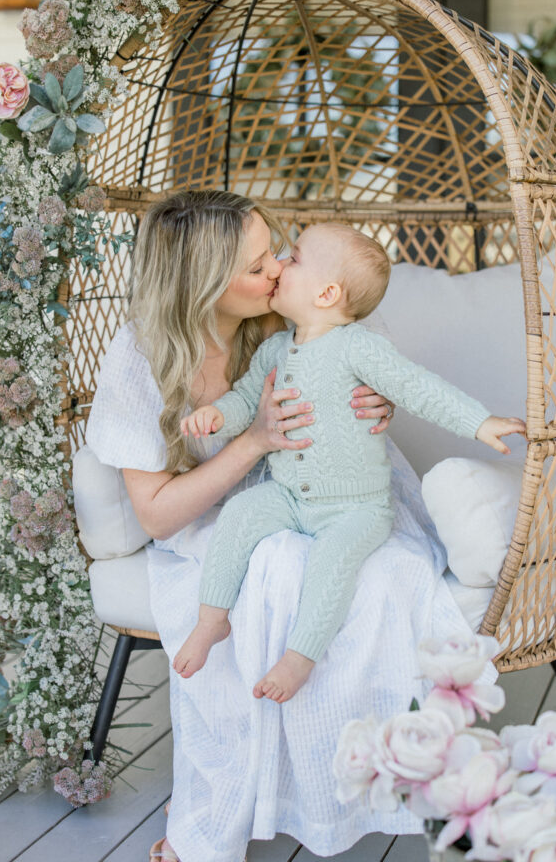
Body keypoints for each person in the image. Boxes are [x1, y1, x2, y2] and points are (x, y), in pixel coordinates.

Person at [85, 191, 519, 862]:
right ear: (204, 281)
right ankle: (232, 792)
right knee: (275, 567)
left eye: (279, 253)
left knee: (378, 574)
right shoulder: (140, 358)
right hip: (225, 508)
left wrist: (376, 405)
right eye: (260, 263)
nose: (278, 267)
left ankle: (345, 786)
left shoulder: (283, 323)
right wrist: (252, 439)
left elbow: (386, 373)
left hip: (339, 495)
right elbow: (158, 514)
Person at [174, 223, 526, 703]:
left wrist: (479, 422)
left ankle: (300, 656)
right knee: (237, 516)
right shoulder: (275, 349)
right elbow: (246, 401)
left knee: (332, 562)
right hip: (288, 494)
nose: (280, 265)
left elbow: (418, 387)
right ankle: (211, 620)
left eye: (293, 259)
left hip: (354, 509)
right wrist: (217, 415)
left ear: (326, 293)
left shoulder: (359, 347)